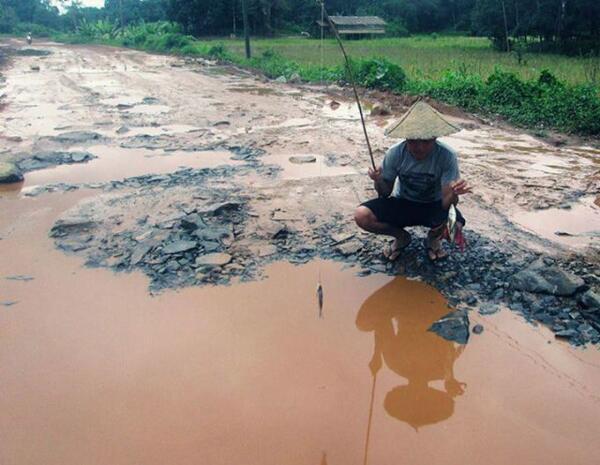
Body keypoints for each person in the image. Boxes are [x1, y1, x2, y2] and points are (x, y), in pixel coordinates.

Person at [354, 101, 471, 261]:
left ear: (435, 138)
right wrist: (378, 179)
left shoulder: (447, 156)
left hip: (433, 205)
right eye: (413, 141)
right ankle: (401, 237)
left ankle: (433, 239)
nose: (419, 147)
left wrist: (454, 193)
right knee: (362, 215)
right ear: (406, 138)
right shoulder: (395, 153)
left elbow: (446, 205)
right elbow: (384, 193)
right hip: (403, 203)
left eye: (425, 141)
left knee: (455, 227)